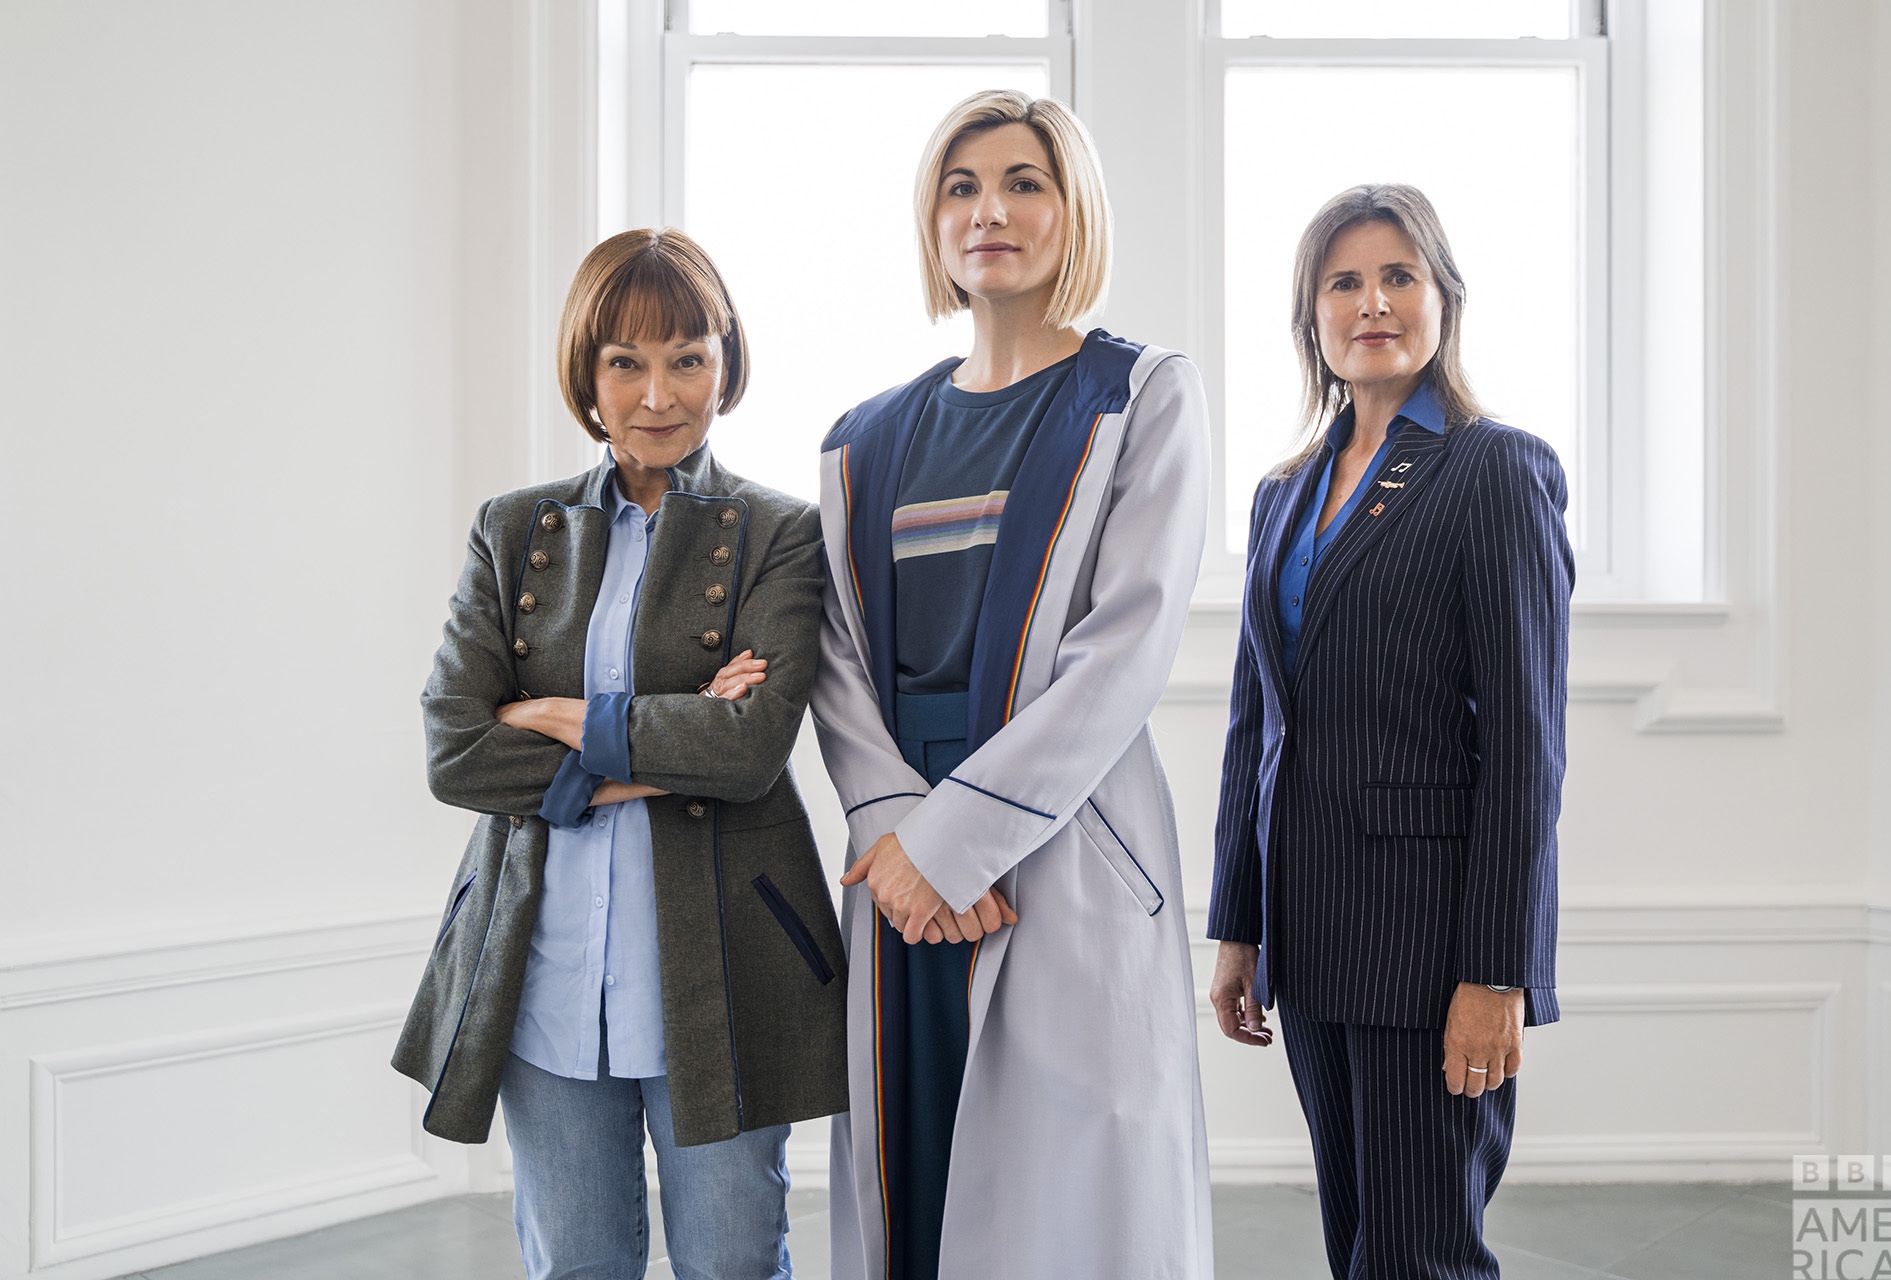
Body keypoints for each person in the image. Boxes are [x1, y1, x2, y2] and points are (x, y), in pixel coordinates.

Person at [811, 89, 1213, 1280]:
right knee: (915, 1173)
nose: (992, 209)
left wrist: (957, 844)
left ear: (1071, 207)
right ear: (932, 221)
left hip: (1061, 833)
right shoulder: (862, 438)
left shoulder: (1138, 393)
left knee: (1067, 1206)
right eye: (962, 185)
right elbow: (836, 660)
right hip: (899, 869)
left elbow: (1125, 645)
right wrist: (899, 837)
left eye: (1025, 181)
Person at [392, 228, 846, 1280]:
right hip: (541, 976)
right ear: (586, 375)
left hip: (727, 968)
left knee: (735, 1261)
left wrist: (555, 712)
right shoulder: (513, 530)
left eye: (689, 356)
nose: (658, 393)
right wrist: (664, 735)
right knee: (576, 1266)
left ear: (726, 362)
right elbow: (455, 748)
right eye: (626, 361)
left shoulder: (781, 532)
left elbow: (748, 749)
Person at [1207, 183, 1572, 1279]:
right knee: (1356, 1242)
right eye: (1346, 281)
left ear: (1443, 299)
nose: (1374, 302)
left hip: (1431, 943)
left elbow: (1526, 746)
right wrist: (1239, 920)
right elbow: (1254, 725)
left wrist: (1496, 972)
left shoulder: (1493, 468)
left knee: (1420, 1255)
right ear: (1312, 316)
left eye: (1398, 276)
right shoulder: (1284, 494)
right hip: (1310, 934)